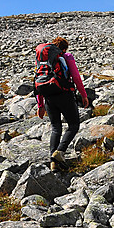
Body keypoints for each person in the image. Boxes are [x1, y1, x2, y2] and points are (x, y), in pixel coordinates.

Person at [36, 36, 89, 171]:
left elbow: (39, 79)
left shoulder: (44, 60)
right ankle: (59, 152)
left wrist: (40, 105)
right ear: (64, 48)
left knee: (56, 128)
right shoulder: (66, 56)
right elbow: (76, 77)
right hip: (64, 94)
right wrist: (83, 95)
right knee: (73, 125)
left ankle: (53, 163)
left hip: (48, 96)